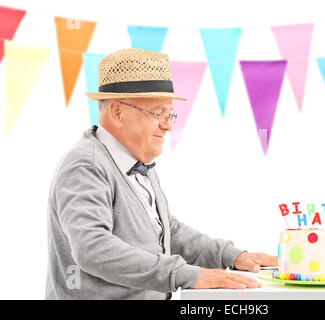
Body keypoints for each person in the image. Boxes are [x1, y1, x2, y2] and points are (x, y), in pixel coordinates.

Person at [45, 48, 276, 300]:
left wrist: (230, 256)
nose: (168, 125)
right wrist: (188, 274)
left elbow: (167, 231)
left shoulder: (135, 161)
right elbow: (93, 249)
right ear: (117, 112)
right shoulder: (86, 165)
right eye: (157, 113)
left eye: (169, 114)